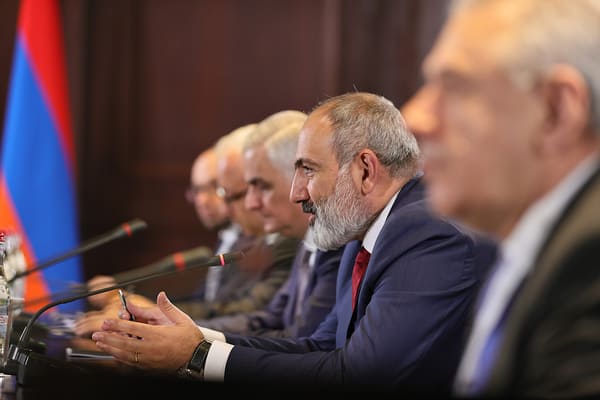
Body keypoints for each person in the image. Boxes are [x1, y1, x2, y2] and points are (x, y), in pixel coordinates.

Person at [91, 92, 497, 394]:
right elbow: (320, 345)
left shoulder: (428, 233)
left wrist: (197, 357)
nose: (296, 192)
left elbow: (363, 376)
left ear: (365, 170)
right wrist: (194, 339)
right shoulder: (363, 233)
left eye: (308, 170)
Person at [402, 0, 600, 398]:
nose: (414, 117)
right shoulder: (537, 243)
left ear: (556, 111)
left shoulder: (589, 258)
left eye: (454, 85)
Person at [74, 123, 299, 336]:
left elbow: (250, 315)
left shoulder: (285, 242)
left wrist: (154, 316)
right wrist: (151, 312)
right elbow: (210, 303)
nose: (250, 203)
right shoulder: (239, 237)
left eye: (222, 192)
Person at [195, 110, 343, 337]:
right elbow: (267, 319)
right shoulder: (307, 241)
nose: (252, 203)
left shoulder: (336, 246)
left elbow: (303, 343)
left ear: (301, 179)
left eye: (262, 186)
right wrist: (187, 332)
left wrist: (195, 343)